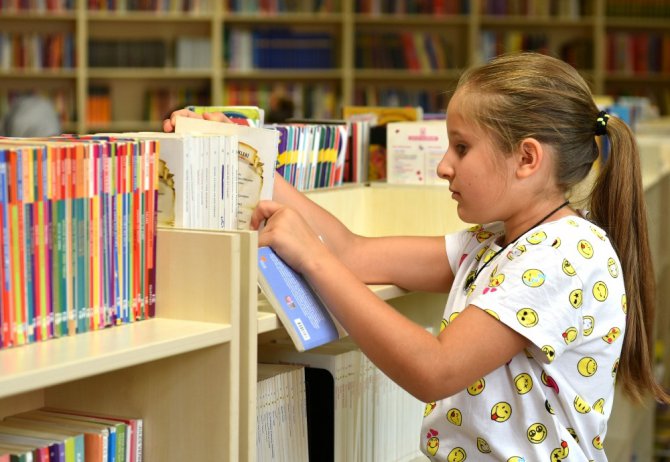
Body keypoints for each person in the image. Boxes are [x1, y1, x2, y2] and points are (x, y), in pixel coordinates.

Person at [164, 52, 669, 461]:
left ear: (528, 158)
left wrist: (315, 263)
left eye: (462, 147)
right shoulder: (493, 243)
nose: (444, 166)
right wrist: (239, 154)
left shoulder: (563, 254)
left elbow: (437, 368)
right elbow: (355, 253)